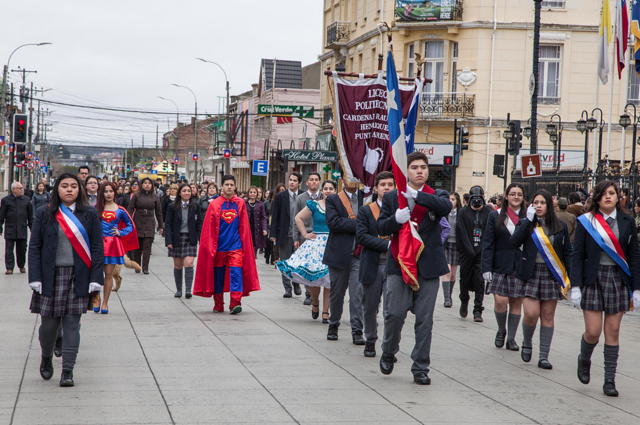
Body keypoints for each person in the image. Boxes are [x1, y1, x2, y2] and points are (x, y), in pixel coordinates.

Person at [376, 152, 452, 385]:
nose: (420, 171)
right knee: (395, 314)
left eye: (423, 167)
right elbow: (380, 227)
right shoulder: (391, 198)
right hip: (400, 263)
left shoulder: (436, 194)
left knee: (425, 320)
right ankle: (389, 350)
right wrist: (395, 221)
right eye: (414, 167)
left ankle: (420, 366)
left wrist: (417, 196)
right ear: (405, 171)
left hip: (428, 266)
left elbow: (445, 207)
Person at [28, 173, 104, 387]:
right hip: (49, 277)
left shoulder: (89, 214)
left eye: (73, 186)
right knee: (49, 326)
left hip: (77, 276)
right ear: (57, 189)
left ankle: (68, 370)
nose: (69, 189)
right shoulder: (44, 213)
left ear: (79, 190)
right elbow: (34, 247)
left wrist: (96, 278)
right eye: (64, 186)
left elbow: (98, 248)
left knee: (72, 324)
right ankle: (46, 355)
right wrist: (35, 277)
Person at [570, 181, 640, 397]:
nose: (609, 197)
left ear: (618, 197)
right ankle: (584, 358)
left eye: (613, 193)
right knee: (593, 332)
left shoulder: (628, 222)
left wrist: (636, 288)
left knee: (613, 331)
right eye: (604, 193)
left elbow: (634, 256)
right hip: (593, 278)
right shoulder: (586, 221)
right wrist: (575, 286)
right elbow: (577, 254)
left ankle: (609, 380)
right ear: (597, 197)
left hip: (618, 280)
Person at [510, 189, 571, 370]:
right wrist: (528, 221)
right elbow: (514, 242)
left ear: (549, 205)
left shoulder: (560, 226)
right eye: (535, 202)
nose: (538, 206)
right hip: (530, 273)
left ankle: (544, 355)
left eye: (542, 203)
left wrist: (571, 278)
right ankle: (527, 341)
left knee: (547, 315)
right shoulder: (526, 223)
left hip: (551, 274)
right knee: (530, 313)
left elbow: (567, 252)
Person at [194, 175, 260, 314]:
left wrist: (243, 245)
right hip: (218, 248)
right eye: (226, 184)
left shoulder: (241, 203)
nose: (229, 187)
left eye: (231, 184)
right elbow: (209, 228)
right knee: (218, 276)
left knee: (236, 273)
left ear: (235, 187)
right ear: (222, 187)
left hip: (235, 247)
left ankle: (235, 303)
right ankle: (218, 304)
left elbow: (244, 226)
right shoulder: (214, 204)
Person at [278, 180, 336, 323]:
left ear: (335, 190)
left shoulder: (339, 206)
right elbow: (298, 218)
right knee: (313, 277)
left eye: (331, 188)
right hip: (315, 244)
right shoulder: (314, 204)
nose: (328, 191)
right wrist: (305, 234)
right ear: (322, 191)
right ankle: (315, 303)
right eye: (326, 188)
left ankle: (325, 312)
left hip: (333, 245)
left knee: (330, 279)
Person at [481, 183, 527, 352]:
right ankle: (501, 330)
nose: (516, 197)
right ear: (506, 196)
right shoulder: (495, 216)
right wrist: (486, 267)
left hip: (520, 264)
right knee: (500, 301)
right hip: (499, 264)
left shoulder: (528, 216)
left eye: (519, 194)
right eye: (513, 194)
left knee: (516, 302)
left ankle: (512, 338)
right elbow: (488, 243)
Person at [356, 171, 394, 357]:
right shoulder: (365, 210)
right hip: (372, 264)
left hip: (393, 266)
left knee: (392, 310)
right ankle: (370, 339)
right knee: (370, 307)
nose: (387, 188)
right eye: (383, 185)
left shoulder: (400, 211)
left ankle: (389, 347)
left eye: (390, 184)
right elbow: (362, 237)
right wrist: (388, 244)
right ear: (376, 188)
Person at [324, 177, 365, 344]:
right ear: (342, 180)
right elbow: (333, 223)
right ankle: (333, 323)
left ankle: (357, 330)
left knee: (357, 294)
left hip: (360, 254)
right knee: (337, 294)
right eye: (349, 177)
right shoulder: (333, 199)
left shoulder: (367, 197)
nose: (352, 181)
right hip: (339, 253)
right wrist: (361, 224)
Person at [95, 182, 137, 313]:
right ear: (102, 193)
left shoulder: (120, 210)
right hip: (97, 245)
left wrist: (121, 232)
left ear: (115, 192)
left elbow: (130, 225)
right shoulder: (95, 208)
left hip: (113, 245)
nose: (108, 194)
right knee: (96, 274)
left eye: (111, 191)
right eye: (106, 191)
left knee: (108, 275)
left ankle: (105, 303)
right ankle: (96, 298)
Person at [456, 186, 493, 322]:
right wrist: (469, 249)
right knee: (464, 279)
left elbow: (490, 232)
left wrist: (481, 249)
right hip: (467, 252)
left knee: (479, 281)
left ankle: (478, 309)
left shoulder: (488, 212)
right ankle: (464, 300)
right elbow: (461, 231)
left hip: (481, 253)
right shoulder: (463, 212)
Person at [270, 172, 304, 298]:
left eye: (295, 180)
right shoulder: (280, 196)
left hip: (300, 235)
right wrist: (273, 234)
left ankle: (296, 283)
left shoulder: (303, 195)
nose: (292, 182)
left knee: (298, 262)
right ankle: (287, 288)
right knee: (285, 262)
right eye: (290, 180)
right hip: (284, 234)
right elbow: (275, 216)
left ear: (299, 183)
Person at [165, 183, 203, 298]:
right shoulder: (172, 206)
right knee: (178, 265)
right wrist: (169, 241)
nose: (187, 193)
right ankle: (179, 290)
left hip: (190, 238)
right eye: (184, 191)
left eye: (189, 191)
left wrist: (200, 239)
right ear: (179, 193)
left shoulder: (196, 206)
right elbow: (168, 224)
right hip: (177, 238)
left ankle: (188, 290)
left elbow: (200, 223)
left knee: (189, 263)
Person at [292, 172, 323, 305]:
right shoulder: (301, 198)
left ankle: (319, 294)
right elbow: (295, 219)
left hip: (322, 237)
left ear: (319, 182)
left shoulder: (325, 196)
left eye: (316, 180)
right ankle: (309, 293)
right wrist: (296, 238)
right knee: (308, 267)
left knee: (321, 268)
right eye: (311, 180)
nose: (314, 182)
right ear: (307, 183)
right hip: (307, 236)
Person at [127, 177, 164, 274]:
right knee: (138, 246)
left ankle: (145, 267)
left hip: (150, 222)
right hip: (138, 221)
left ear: (152, 185)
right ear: (142, 185)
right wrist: (128, 222)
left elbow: (159, 212)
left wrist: (161, 226)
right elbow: (130, 209)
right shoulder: (137, 196)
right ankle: (137, 266)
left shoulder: (155, 197)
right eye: (145, 183)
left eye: (149, 183)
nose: (147, 185)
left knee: (147, 246)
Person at [0, 182, 34, 274]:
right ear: (13, 189)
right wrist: (0, 227)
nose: (22, 190)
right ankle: (9, 267)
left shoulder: (26, 200)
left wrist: (32, 228)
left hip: (22, 229)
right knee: (9, 250)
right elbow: (1, 215)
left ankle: (21, 265)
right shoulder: (6, 200)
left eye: (22, 188)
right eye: (19, 188)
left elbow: (30, 216)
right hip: (10, 228)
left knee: (22, 249)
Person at [442, 192, 462, 308]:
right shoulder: (443, 213)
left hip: (457, 245)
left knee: (453, 274)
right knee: (447, 271)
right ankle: (446, 298)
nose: (451, 201)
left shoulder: (461, 213)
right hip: (445, 244)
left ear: (457, 201)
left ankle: (449, 294)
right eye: (449, 199)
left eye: (453, 199)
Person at [245, 186, 268, 258]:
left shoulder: (260, 204)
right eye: (251, 192)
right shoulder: (244, 203)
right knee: (246, 244)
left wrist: (264, 229)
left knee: (255, 244)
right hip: (246, 227)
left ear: (257, 194)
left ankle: (253, 258)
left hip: (256, 228)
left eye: (254, 192)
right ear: (248, 193)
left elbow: (263, 217)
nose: (252, 194)